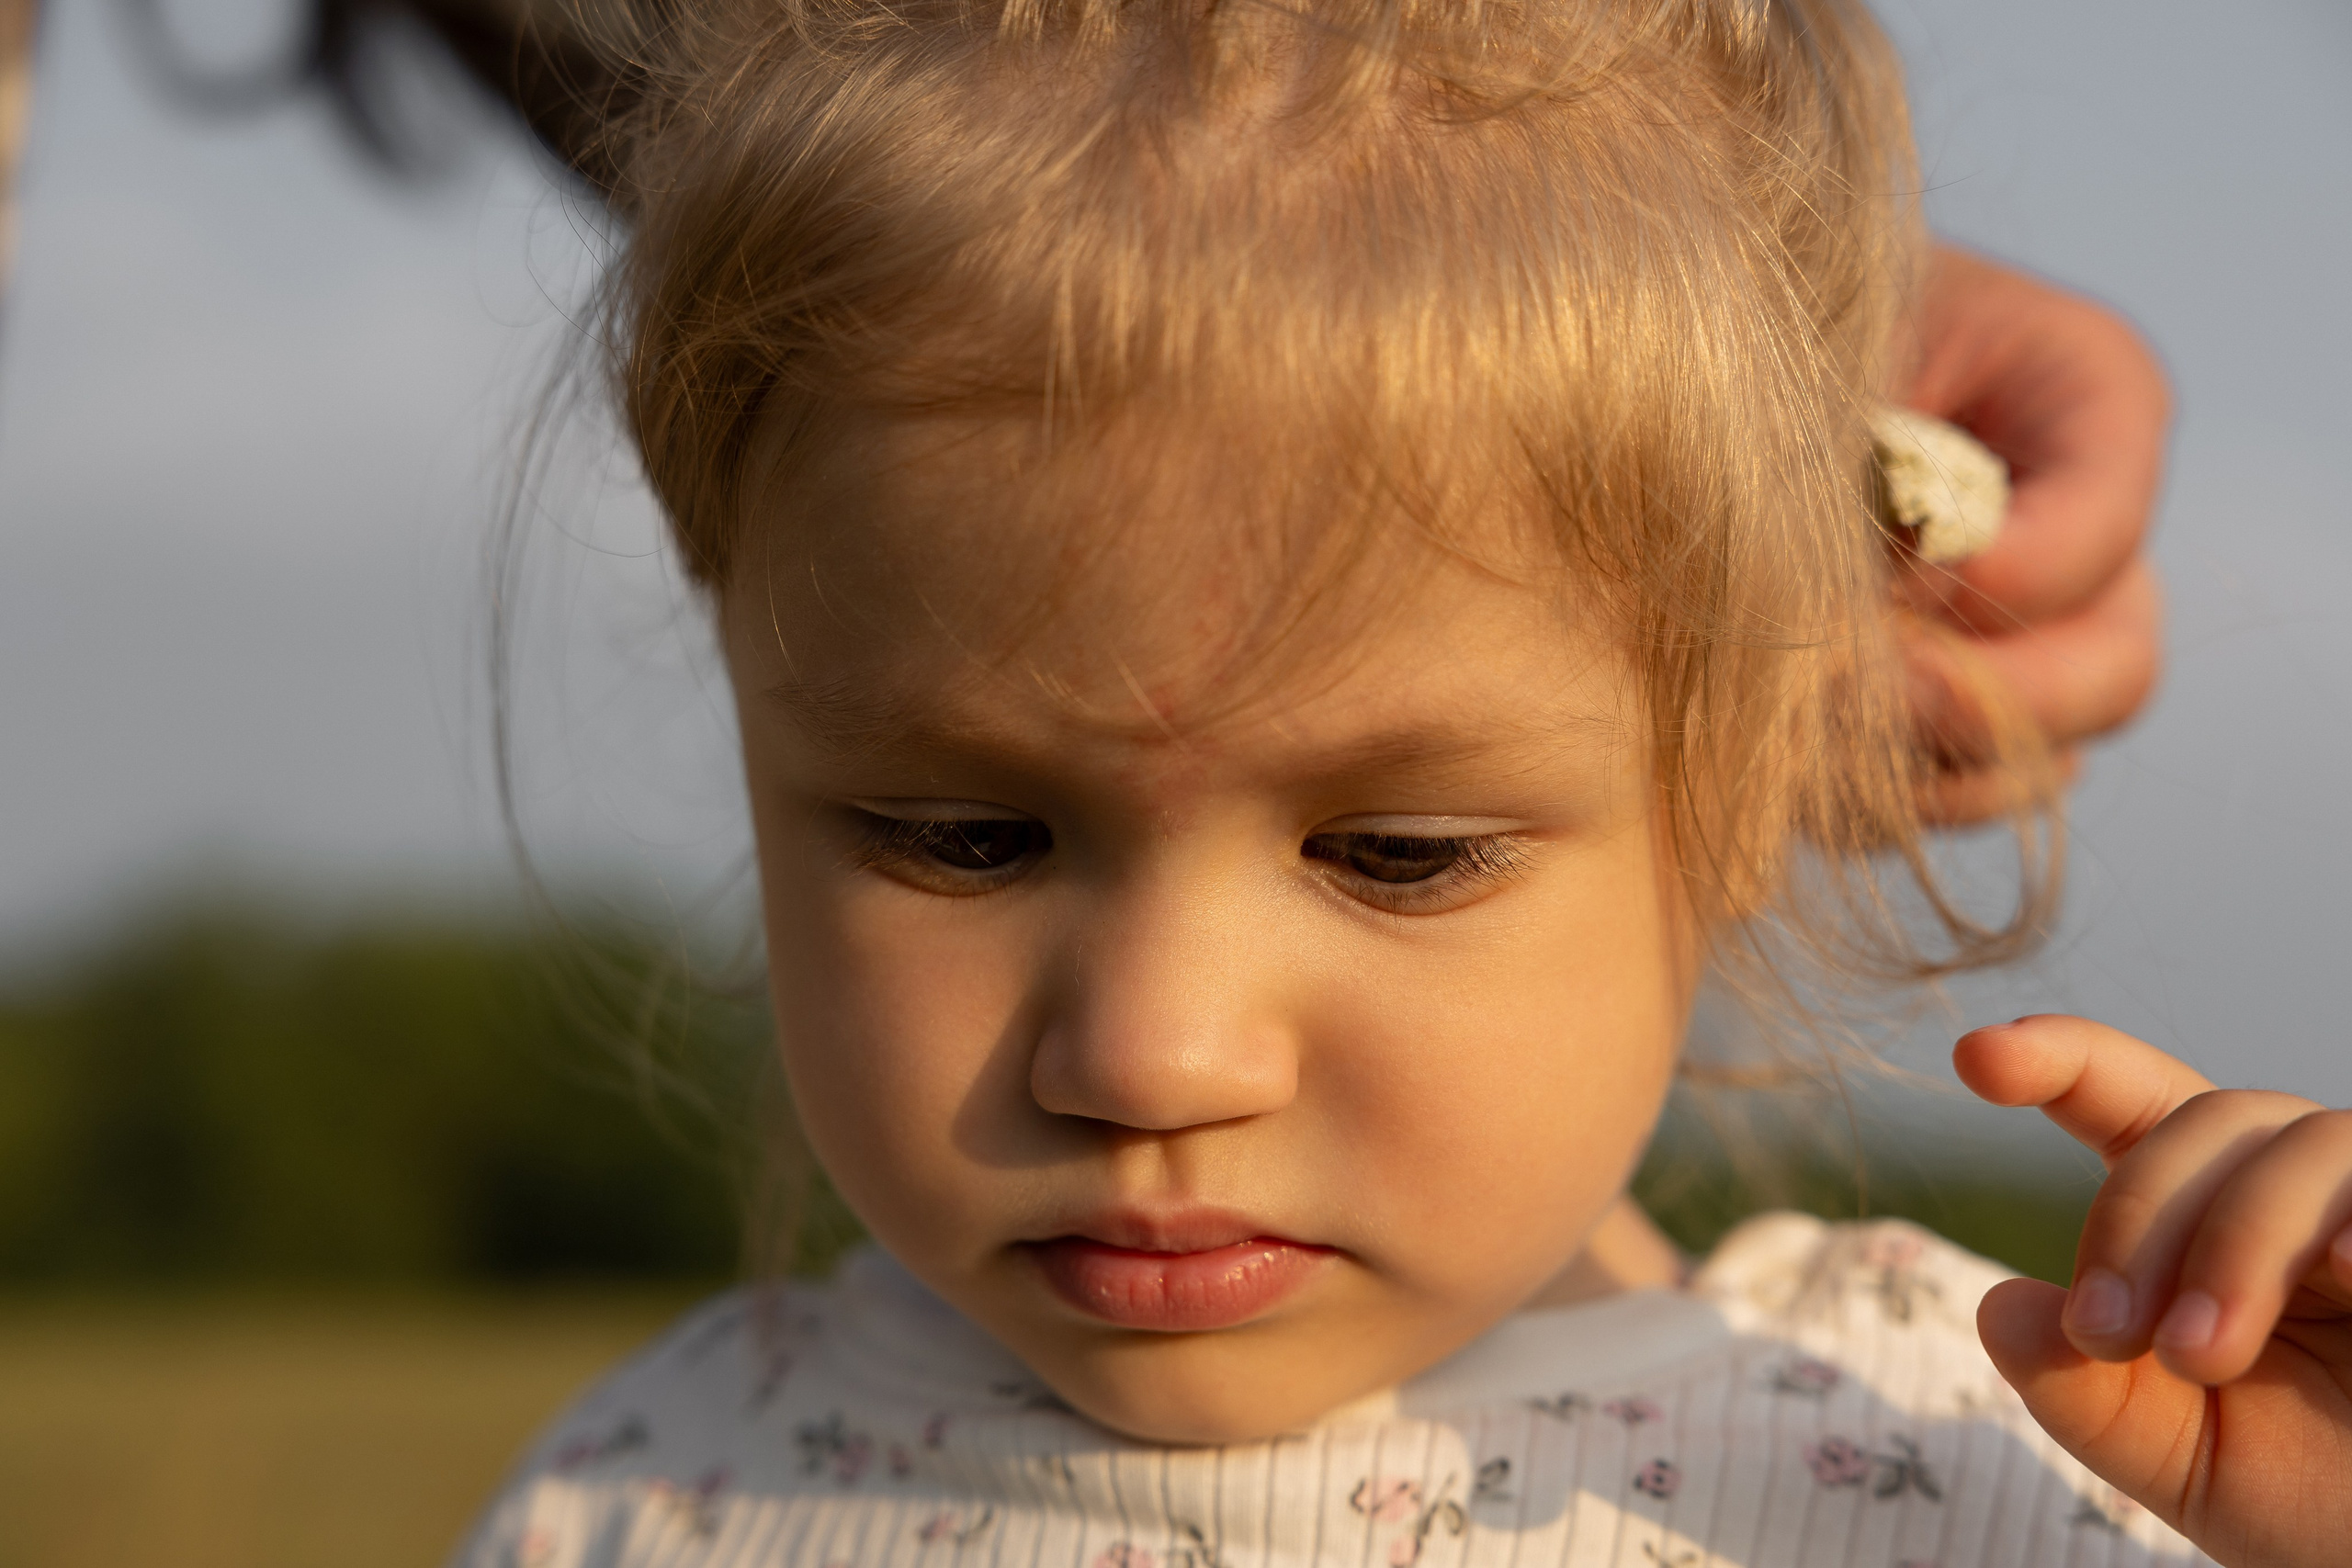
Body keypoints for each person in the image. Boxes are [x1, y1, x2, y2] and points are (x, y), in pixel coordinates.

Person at [452, 2, 2339, 1565]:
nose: (1151, 1056)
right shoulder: (651, 1485)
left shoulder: (2009, 1451)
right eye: (958, 834)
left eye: (1394, 848)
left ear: (1765, 761)